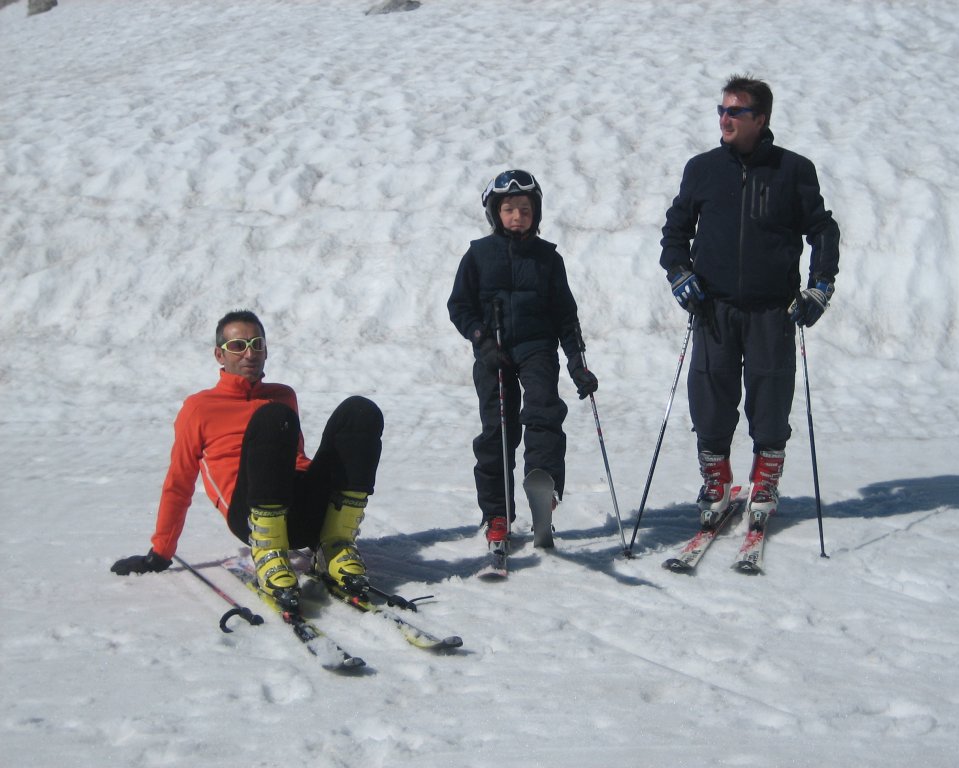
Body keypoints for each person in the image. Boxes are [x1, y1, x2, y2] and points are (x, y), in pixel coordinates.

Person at [111, 310, 384, 610]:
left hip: (306, 512)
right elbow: (179, 482)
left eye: (257, 344)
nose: (249, 353)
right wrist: (160, 554)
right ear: (219, 354)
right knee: (272, 418)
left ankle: (335, 543)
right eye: (238, 346)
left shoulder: (283, 395)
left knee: (360, 412)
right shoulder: (199, 408)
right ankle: (269, 553)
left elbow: (296, 459)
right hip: (252, 517)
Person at [659, 75, 840, 528]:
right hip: (713, 308)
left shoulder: (793, 169)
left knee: (771, 397)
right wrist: (679, 273)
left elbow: (822, 229)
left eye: (735, 111)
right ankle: (716, 483)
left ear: (760, 119)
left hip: (771, 310)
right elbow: (674, 233)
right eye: (721, 110)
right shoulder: (701, 169)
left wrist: (820, 284)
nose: (724, 118)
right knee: (710, 398)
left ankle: (765, 481)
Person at [448, 169, 598, 553]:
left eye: (526, 210)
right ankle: (498, 513)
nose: (518, 217)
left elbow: (565, 315)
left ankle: (542, 490)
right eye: (510, 209)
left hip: (537, 347)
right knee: (497, 431)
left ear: (537, 214)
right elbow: (460, 306)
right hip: (493, 350)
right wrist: (481, 341)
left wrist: (577, 364)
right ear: (495, 213)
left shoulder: (548, 259)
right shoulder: (478, 255)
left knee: (544, 411)